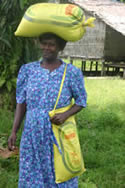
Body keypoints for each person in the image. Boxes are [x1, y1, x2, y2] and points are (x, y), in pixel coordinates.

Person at [8, 33, 87, 188]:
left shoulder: (71, 72)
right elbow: (21, 102)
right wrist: (14, 131)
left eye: (51, 44)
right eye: (44, 43)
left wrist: (65, 115)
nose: (46, 48)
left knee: (59, 171)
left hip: (57, 133)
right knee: (32, 172)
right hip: (32, 133)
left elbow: (81, 101)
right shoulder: (28, 70)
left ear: (60, 47)